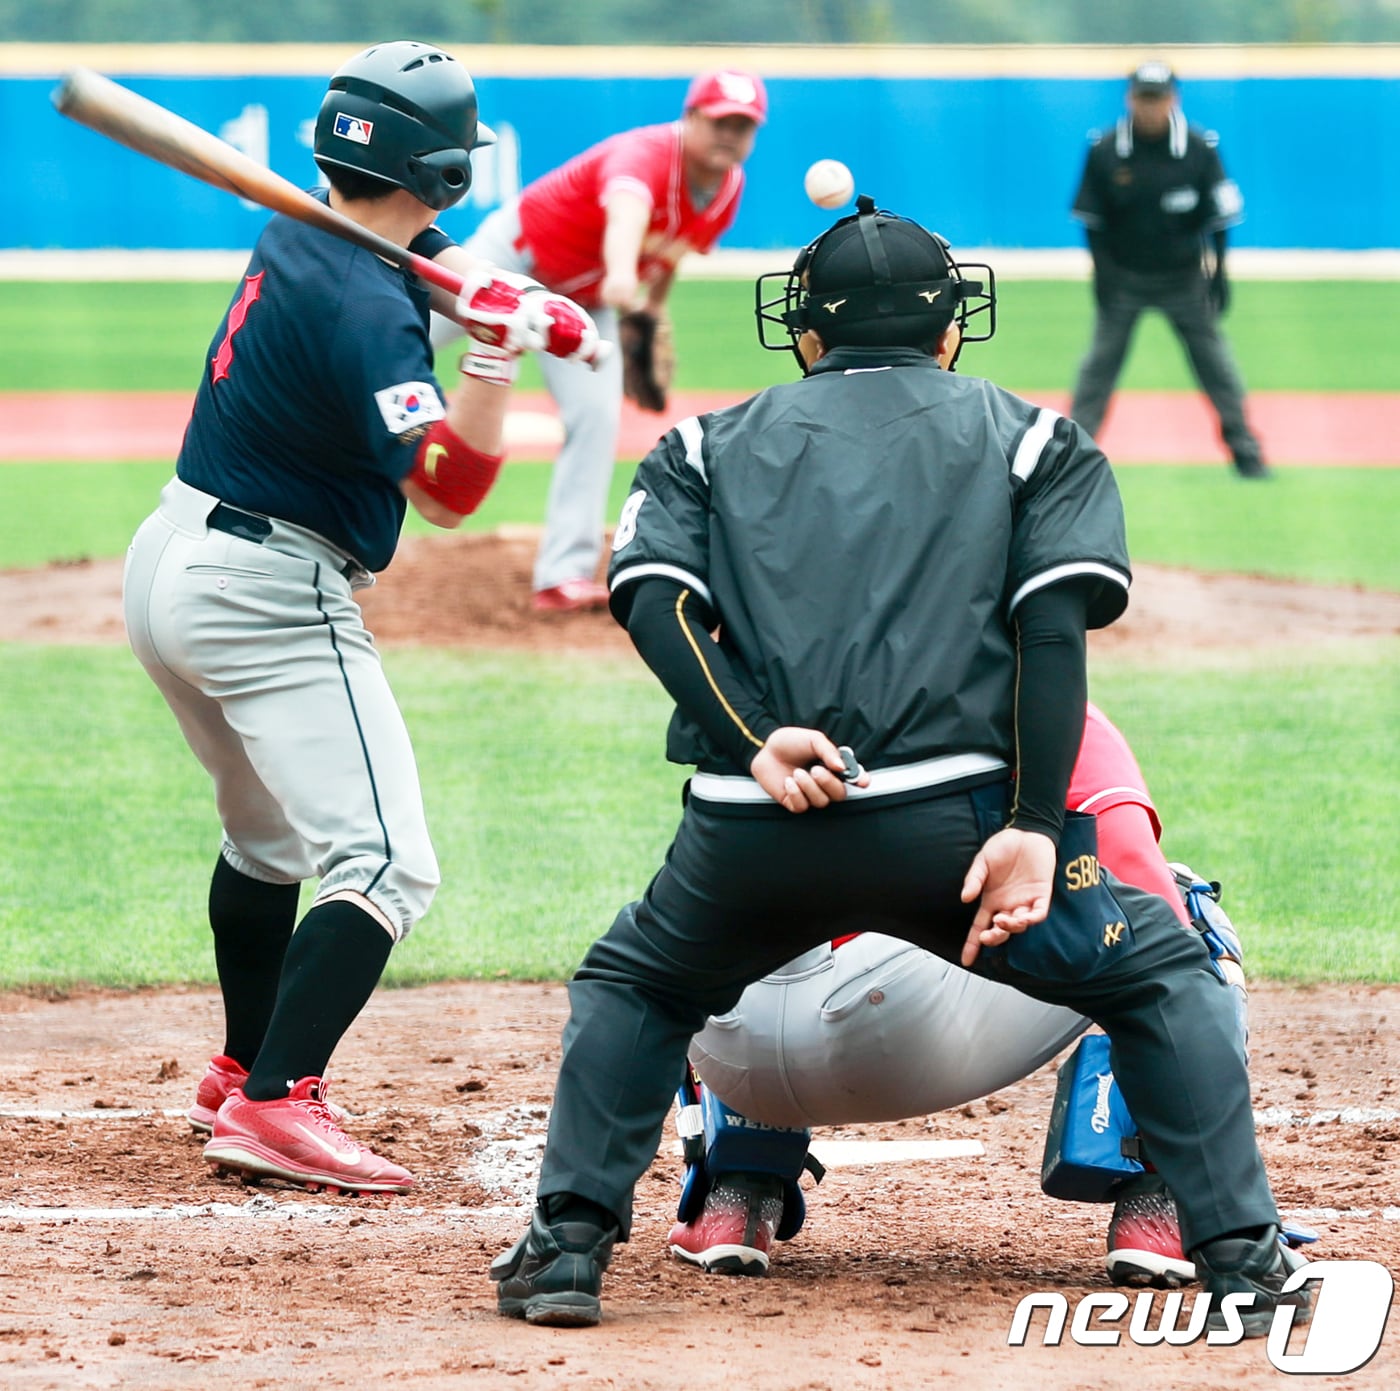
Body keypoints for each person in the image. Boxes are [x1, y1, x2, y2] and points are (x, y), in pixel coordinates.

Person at [489, 197, 1309, 1334]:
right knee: (1162, 970)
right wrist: (1029, 819)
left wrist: (748, 739)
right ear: (949, 329)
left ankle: (568, 1247)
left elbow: (652, 604)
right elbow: (1050, 635)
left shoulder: (698, 445)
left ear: (806, 333)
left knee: (635, 981)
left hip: (751, 828)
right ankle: (1237, 1253)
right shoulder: (1035, 441)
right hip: (960, 832)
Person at [123, 41, 598, 1196]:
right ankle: (280, 1101)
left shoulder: (312, 230)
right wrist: (491, 350)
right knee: (384, 861)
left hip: (172, 563)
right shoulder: (362, 308)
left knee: (268, 839)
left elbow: (414, 256)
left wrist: (506, 294)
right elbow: (448, 493)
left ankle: (240, 1063)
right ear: (438, 169)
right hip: (268, 596)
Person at [667, 703, 1263, 1289]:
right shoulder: (1039, 704)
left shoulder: (772, 696)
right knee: (1173, 915)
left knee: (731, 917)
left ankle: (737, 1185)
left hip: (725, 1033)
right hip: (892, 1028)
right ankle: (1168, 1199)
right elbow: (1140, 888)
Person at [431, 67, 767, 611]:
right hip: (513, 261)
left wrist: (652, 316)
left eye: (744, 125)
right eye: (721, 120)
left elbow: (667, 258)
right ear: (691, 118)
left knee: (596, 416)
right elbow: (623, 249)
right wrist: (629, 300)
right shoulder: (645, 157)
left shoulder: (727, 188)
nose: (731, 135)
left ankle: (562, 575)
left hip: (585, 301)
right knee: (409, 337)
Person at [1069, 61, 1269, 479]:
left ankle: (1245, 450)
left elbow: (1219, 218)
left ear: (1173, 99)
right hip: (1124, 277)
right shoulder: (1106, 149)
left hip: (1183, 277)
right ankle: (1072, 457)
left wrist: (1219, 273)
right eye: (1143, 97)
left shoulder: (1199, 148)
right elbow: (1092, 222)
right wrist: (1102, 276)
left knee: (1216, 365)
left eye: (1158, 97)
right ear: (1130, 98)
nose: (1150, 106)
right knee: (1098, 369)